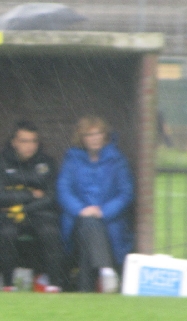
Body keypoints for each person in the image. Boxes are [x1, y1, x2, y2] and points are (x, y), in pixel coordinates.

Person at [57, 115, 134, 292]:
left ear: (105, 136)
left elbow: (126, 193)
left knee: (88, 241)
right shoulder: (72, 159)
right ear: (82, 138)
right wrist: (81, 210)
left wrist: (103, 211)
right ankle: (106, 269)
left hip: (109, 222)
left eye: (98, 133)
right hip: (78, 220)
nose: (95, 138)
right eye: (89, 135)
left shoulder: (117, 161)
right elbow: (63, 189)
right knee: (88, 223)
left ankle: (86, 291)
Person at [0, 121, 64, 291]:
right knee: (6, 233)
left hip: (38, 214)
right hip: (9, 216)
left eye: (33, 141)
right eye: (24, 141)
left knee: (51, 232)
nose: (29, 146)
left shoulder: (46, 163)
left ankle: (54, 285)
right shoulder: (1, 162)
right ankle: (8, 285)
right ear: (14, 142)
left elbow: (51, 197)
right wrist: (31, 194)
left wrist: (22, 208)